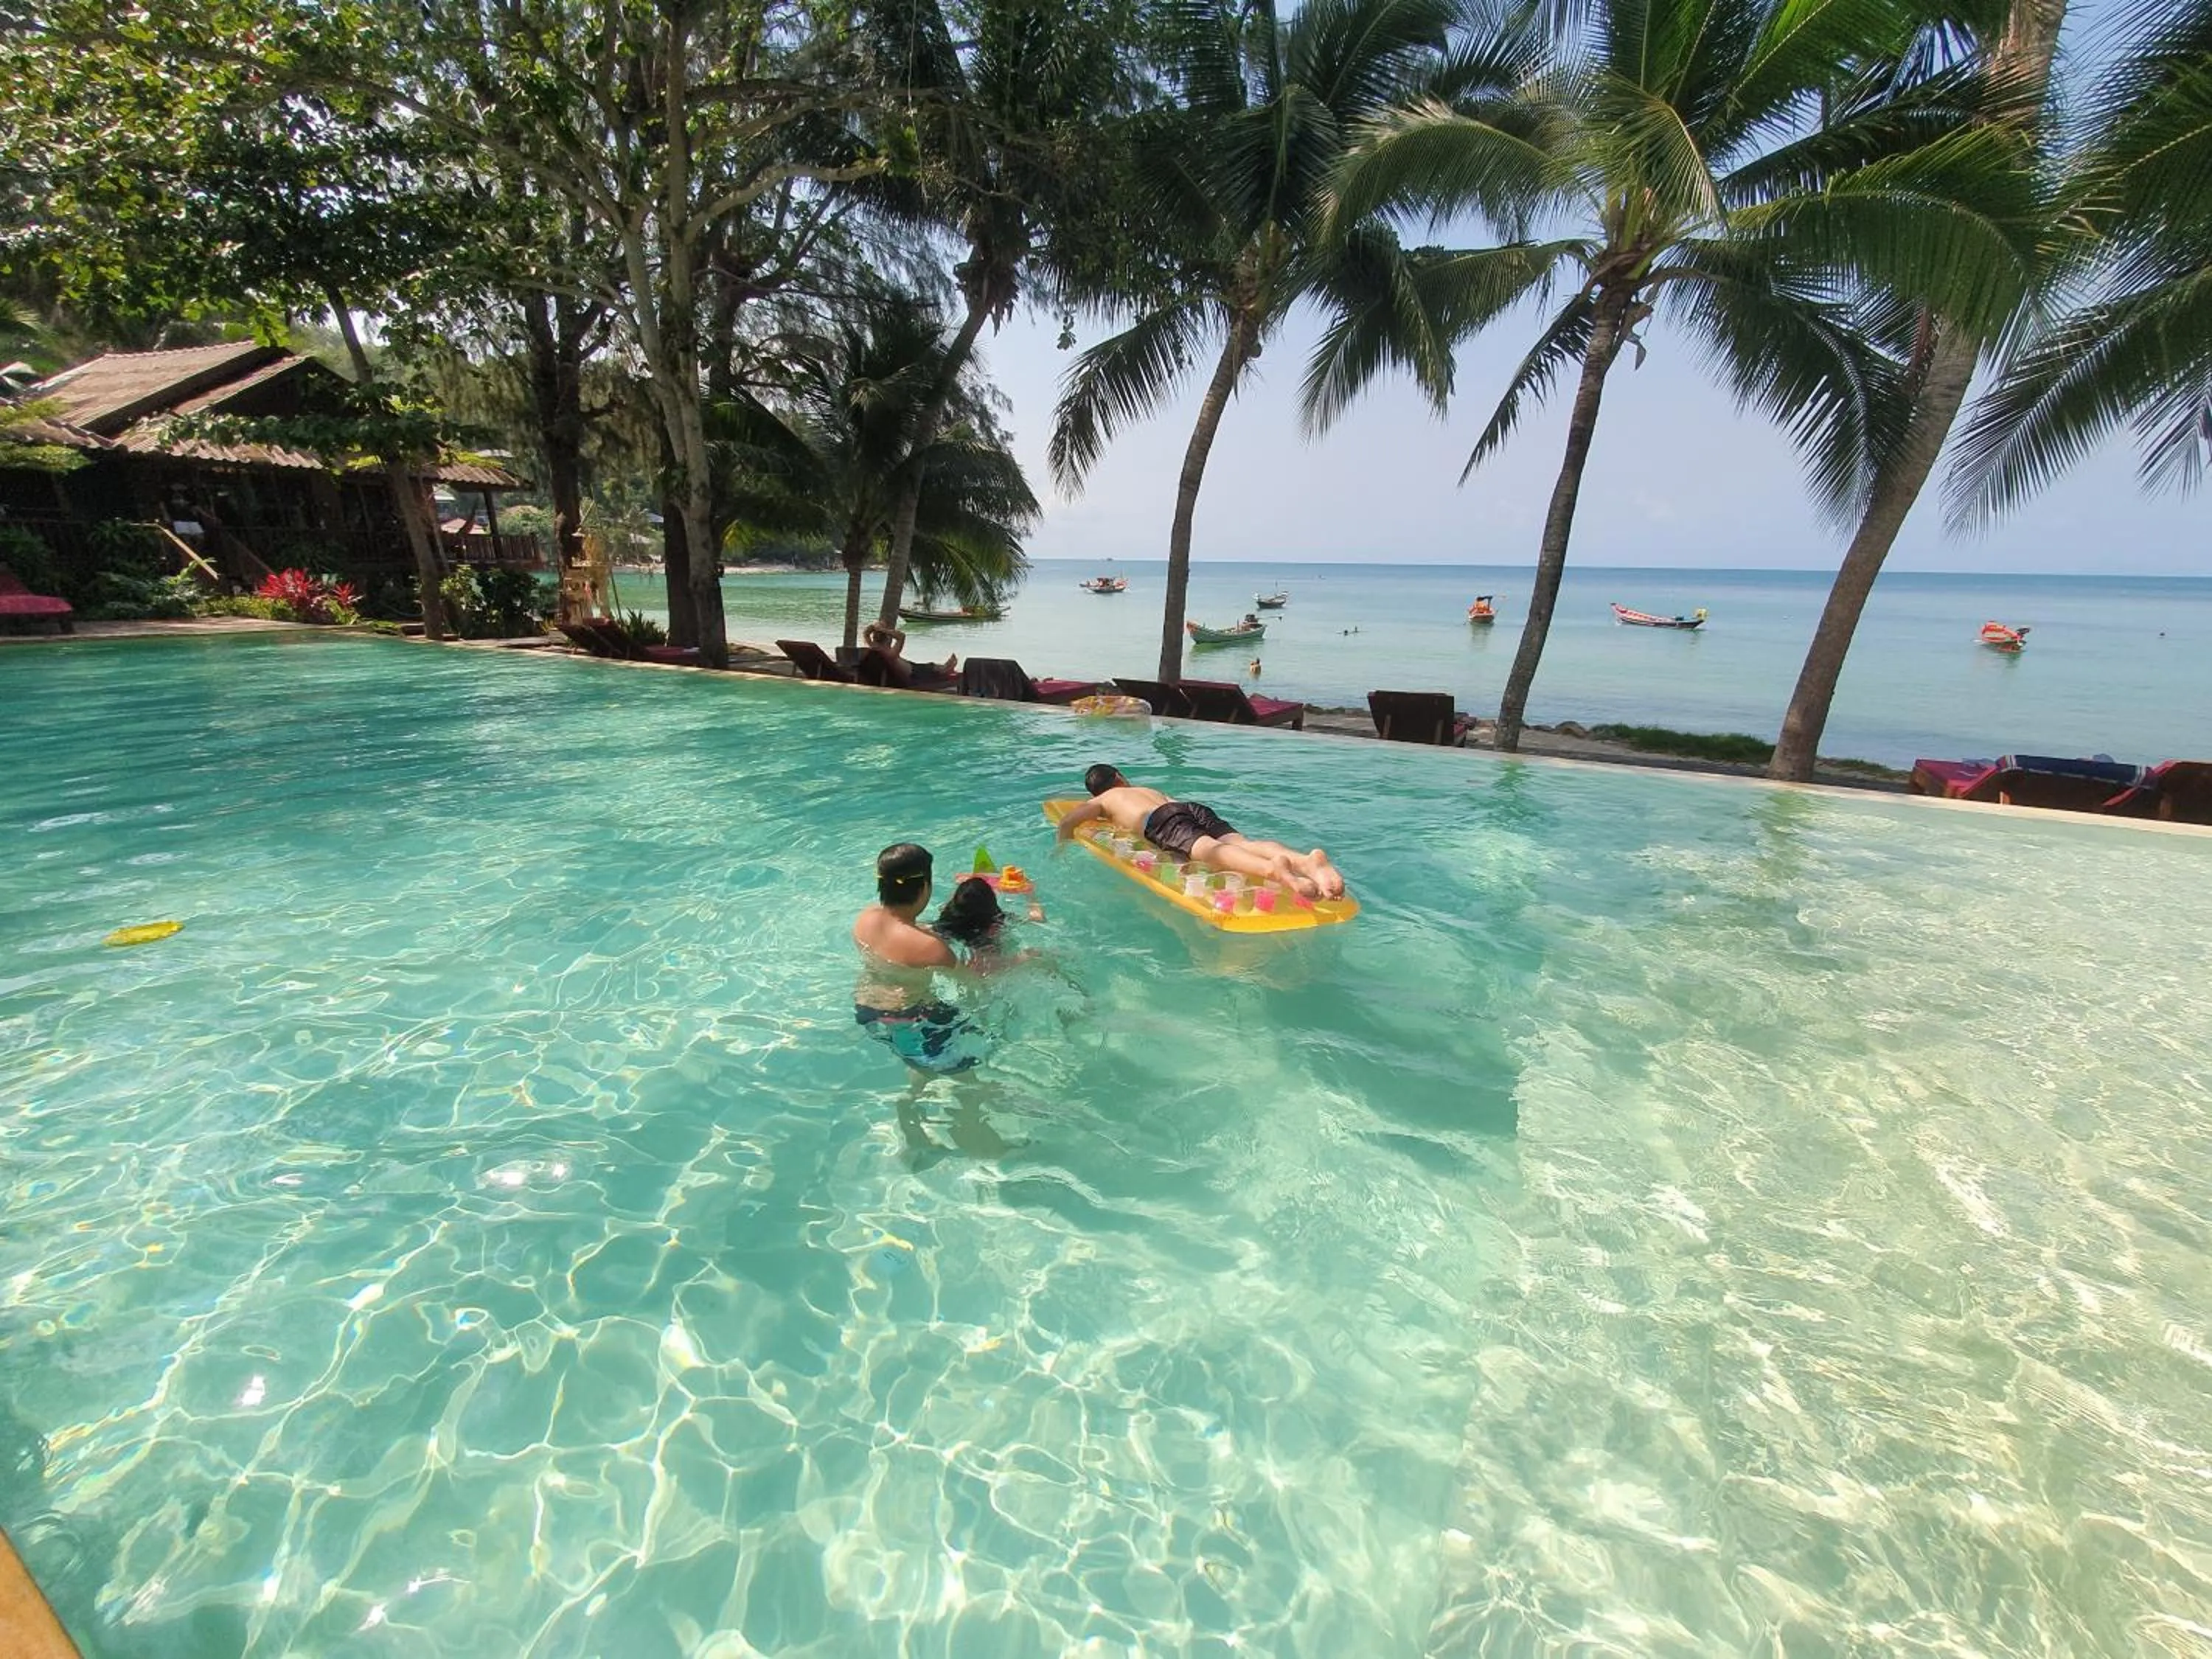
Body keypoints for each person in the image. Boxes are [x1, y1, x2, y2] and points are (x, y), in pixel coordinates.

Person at [1058, 765, 1344, 899]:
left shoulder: (1102, 800)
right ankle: (1306, 861)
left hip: (1159, 821)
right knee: (1241, 843)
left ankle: (1274, 871)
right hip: (1187, 806)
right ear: (1120, 777)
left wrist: (1062, 845)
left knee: (1209, 853)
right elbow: (1176, 809)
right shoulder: (1143, 789)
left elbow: (1068, 821)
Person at [852, 842, 984, 1073]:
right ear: (925, 888)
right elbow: (973, 985)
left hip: (866, 1007)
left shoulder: (866, 917)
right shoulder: (932, 948)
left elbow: (898, 935)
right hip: (912, 1019)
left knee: (919, 1064)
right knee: (966, 1070)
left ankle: (911, 1097)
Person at [862, 622, 956, 683]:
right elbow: (901, 636)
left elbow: (865, 633)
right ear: (886, 637)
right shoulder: (888, 654)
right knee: (931, 667)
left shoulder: (872, 646)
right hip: (912, 673)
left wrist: (875, 627)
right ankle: (946, 669)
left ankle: (945, 667)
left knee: (929, 666)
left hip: (910, 668)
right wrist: (882, 629)